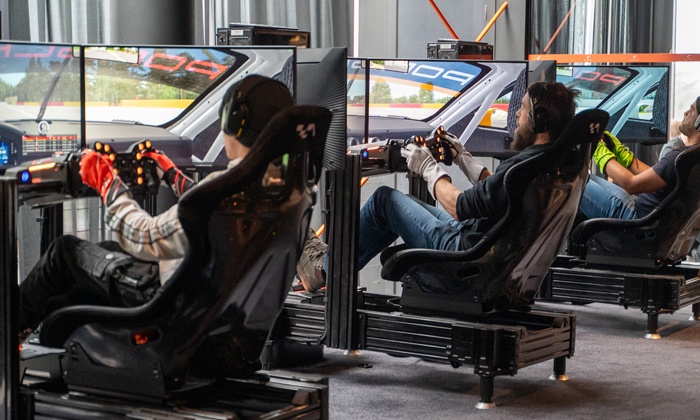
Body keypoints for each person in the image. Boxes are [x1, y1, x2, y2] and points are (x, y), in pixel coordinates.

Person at [18, 75, 296, 337]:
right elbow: (207, 210)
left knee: (64, 252)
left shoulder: (226, 191)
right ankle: (51, 331)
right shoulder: (286, 187)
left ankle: (9, 331)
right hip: (216, 310)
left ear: (235, 124)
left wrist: (107, 183)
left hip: (168, 303)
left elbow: (143, 236)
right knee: (106, 251)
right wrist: (172, 175)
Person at [357, 81, 579, 270]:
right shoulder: (546, 161)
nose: (517, 114)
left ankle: (335, 273)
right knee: (407, 203)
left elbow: (458, 207)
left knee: (383, 200)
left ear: (539, 120)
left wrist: (428, 167)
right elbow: (501, 193)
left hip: (465, 250)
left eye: (522, 108)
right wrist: (463, 158)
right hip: (484, 244)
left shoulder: (522, 167)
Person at [579, 96, 700, 220]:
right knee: (583, 177)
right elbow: (656, 176)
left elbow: (631, 185)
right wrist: (621, 154)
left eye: (691, 110)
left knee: (574, 181)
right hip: (644, 212)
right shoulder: (691, 156)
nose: (685, 113)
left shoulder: (679, 158)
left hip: (635, 218)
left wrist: (600, 151)